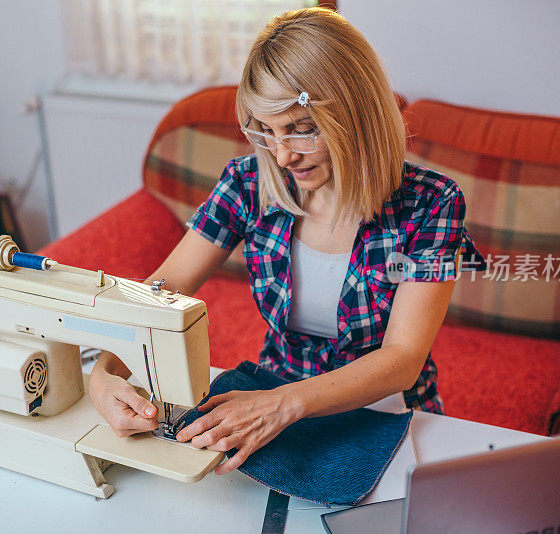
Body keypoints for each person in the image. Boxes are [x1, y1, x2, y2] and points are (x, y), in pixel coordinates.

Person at [87, 7, 484, 475]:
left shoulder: (432, 203)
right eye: (266, 132)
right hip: (273, 393)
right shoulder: (250, 181)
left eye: (301, 129)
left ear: (356, 114)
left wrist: (281, 406)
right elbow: (160, 292)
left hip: (388, 410)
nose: (282, 155)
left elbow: (401, 360)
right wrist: (104, 372)